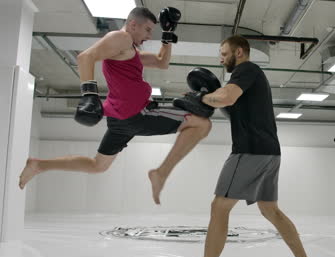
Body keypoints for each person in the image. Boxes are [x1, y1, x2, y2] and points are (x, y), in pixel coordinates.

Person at [18, 7, 211, 205]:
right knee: (201, 124)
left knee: (98, 165)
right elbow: (85, 57)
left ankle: (39, 165)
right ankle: (161, 173)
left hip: (120, 119)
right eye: (147, 29)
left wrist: (168, 34)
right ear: (133, 25)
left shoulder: (130, 51)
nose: (149, 35)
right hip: (138, 114)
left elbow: (162, 62)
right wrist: (89, 94)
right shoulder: (122, 38)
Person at [197, 35, 311, 257]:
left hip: (250, 152)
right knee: (271, 210)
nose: (221, 60)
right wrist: (210, 100)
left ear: (239, 52)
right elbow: (231, 105)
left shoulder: (246, 69)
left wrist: (201, 97)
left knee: (219, 207)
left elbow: (226, 98)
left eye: (224, 53)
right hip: (270, 152)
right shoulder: (248, 81)